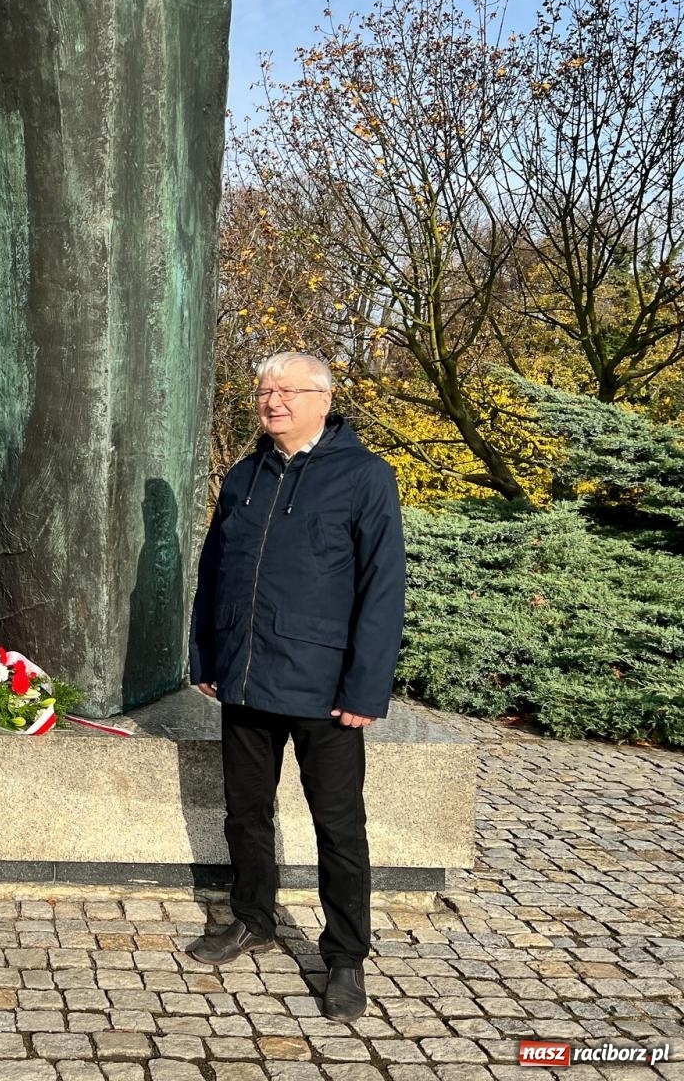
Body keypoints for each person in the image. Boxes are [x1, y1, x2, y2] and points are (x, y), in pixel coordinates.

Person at [185, 351, 405, 1023]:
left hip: (326, 689)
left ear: (322, 398)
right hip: (247, 680)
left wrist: (366, 688)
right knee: (244, 813)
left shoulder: (364, 476)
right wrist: (207, 655)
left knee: (340, 827)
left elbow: (382, 586)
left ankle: (344, 958)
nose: (271, 399)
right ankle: (253, 917)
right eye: (264, 390)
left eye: (285, 390)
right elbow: (215, 570)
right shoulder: (246, 474)